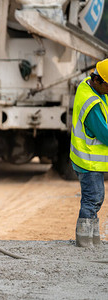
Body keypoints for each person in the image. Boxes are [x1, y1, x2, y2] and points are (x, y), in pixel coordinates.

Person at [70, 58, 108, 248]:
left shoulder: (89, 85)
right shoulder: (92, 104)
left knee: (94, 198)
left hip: (88, 159)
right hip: (89, 160)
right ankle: (85, 241)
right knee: (93, 198)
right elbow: (105, 134)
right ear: (99, 81)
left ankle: (91, 240)